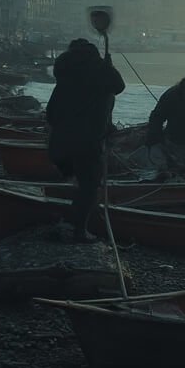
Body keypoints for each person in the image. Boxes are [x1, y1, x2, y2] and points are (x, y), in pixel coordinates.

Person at [45, 38, 125, 242]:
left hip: (59, 143)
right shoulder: (100, 72)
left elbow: (51, 114)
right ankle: (78, 231)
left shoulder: (63, 80)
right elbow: (119, 85)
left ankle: (68, 220)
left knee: (78, 182)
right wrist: (108, 65)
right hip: (87, 142)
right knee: (89, 187)